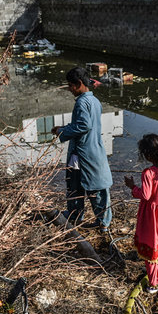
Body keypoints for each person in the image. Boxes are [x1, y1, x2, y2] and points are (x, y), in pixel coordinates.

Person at [51, 67, 112, 232]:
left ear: (78, 84)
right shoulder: (94, 101)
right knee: (91, 186)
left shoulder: (81, 102)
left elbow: (84, 125)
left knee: (79, 186)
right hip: (92, 151)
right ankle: (101, 221)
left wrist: (61, 131)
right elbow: (83, 124)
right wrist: (64, 128)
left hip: (82, 153)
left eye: (70, 86)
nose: (70, 89)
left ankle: (76, 215)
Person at [124, 134, 158, 293]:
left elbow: (145, 195)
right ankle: (154, 269)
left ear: (147, 155)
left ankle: (156, 283)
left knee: (150, 246)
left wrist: (132, 187)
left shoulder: (148, 173)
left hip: (152, 217)